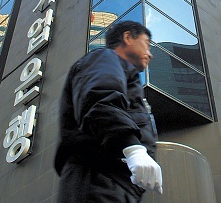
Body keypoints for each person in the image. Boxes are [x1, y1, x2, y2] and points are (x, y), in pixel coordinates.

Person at [54, 20, 163, 202]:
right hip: (99, 178)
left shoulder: (126, 76)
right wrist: (133, 147)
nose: (150, 54)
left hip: (118, 184)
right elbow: (99, 100)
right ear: (128, 37)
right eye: (147, 44)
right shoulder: (105, 58)